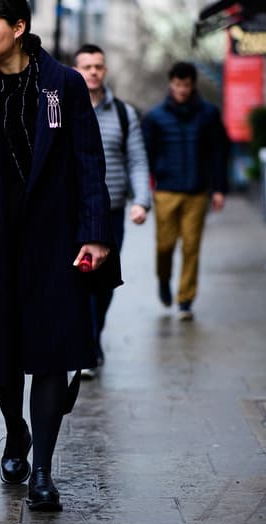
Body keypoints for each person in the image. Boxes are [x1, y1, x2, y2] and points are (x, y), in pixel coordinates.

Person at [0, 0, 120, 512]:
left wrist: (95, 234)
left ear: (18, 27)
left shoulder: (63, 84)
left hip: (53, 246)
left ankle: (42, 473)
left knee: (50, 357)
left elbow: (88, 163)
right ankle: (16, 431)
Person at [73, 43, 150, 379]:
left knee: (103, 284)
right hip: (73, 212)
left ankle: (93, 337)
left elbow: (136, 158)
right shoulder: (62, 109)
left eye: (98, 66)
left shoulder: (123, 113)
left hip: (113, 210)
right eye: (86, 66)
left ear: (105, 70)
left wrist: (141, 200)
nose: (93, 71)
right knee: (79, 278)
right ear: (75, 70)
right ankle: (86, 346)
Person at [142, 61, 228, 321]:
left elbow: (219, 153)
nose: (181, 89)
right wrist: (148, 187)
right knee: (165, 246)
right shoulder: (155, 117)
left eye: (186, 85)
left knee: (192, 246)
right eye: (177, 85)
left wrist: (219, 189)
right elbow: (144, 154)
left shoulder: (209, 115)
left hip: (197, 190)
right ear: (171, 84)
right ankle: (164, 280)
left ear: (192, 85)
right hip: (166, 190)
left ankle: (186, 300)